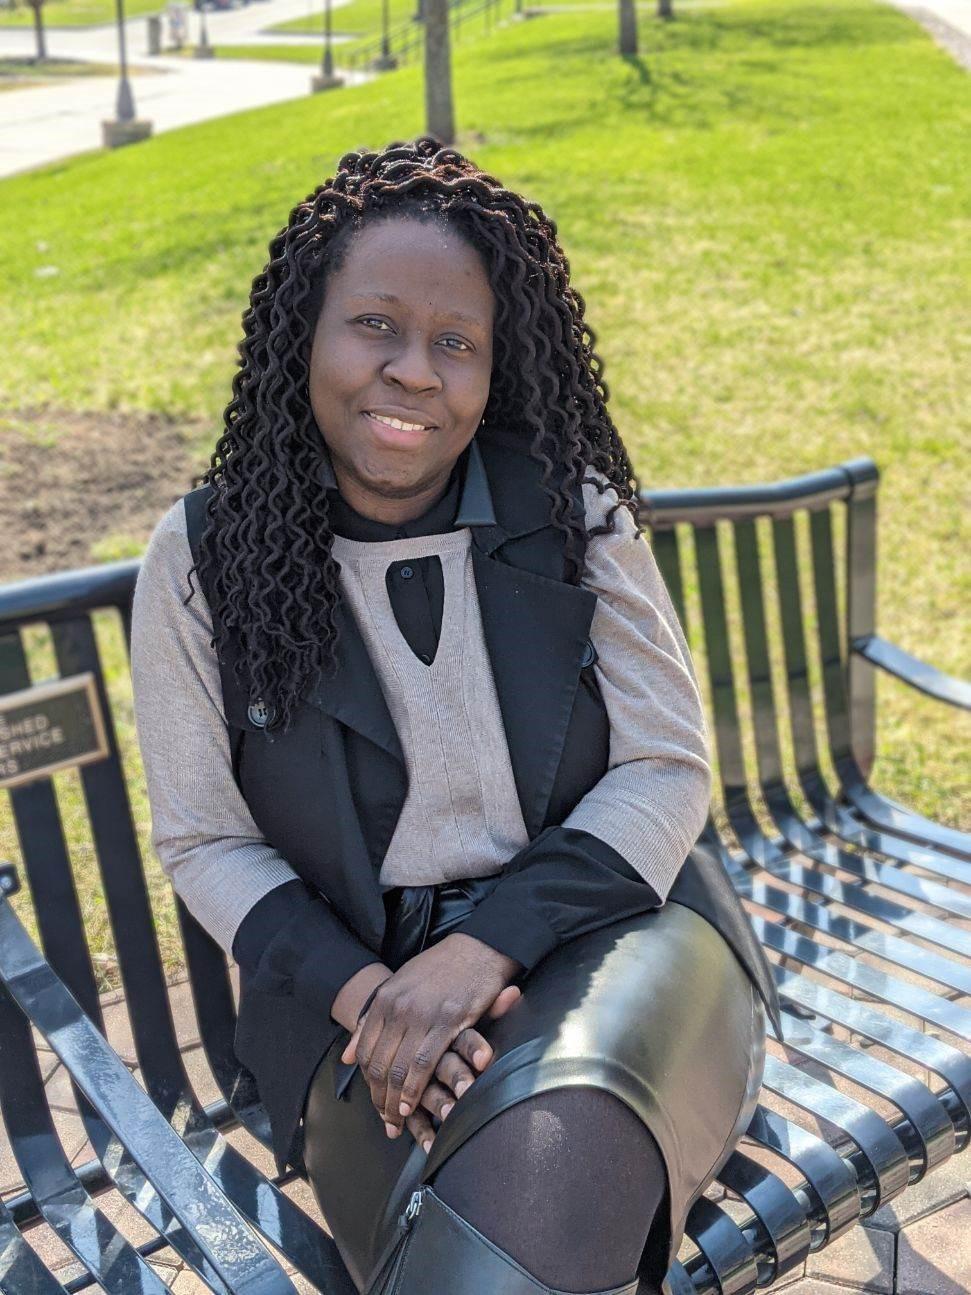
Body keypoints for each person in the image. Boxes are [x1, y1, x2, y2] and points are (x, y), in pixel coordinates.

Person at [131, 136, 781, 1295]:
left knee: (557, 1147)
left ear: (492, 365)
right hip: (354, 1000)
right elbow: (203, 835)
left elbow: (668, 766)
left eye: (455, 342)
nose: (414, 371)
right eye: (373, 325)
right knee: (509, 1219)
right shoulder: (200, 562)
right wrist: (378, 998)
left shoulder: (571, 513)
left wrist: (478, 955)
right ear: (304, 335)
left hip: (610, 937)